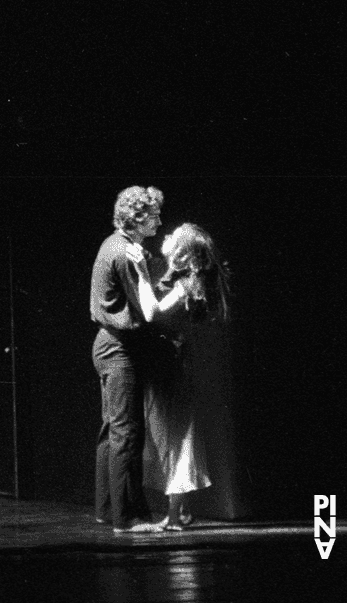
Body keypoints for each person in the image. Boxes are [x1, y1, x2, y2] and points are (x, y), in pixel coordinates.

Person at [135, 222, 238, 529]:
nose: (166, 236)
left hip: (171, 368)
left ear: (183, 252)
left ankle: (176, 513)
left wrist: (141, 275)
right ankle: (179, 510)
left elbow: (153, 313)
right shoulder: (180, 278)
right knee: (173, 435)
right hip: (170, 365)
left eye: (173, 236)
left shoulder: (185, 286)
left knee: (175, 436)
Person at [90, 185, 172, 533]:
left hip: (111, 346)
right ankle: (128, 518)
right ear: (137, 218)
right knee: (127, 433)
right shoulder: (124, 252)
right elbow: (147, 309)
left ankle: (108, 510)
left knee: (114, 431)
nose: (158, 220)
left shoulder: (117, 244)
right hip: (119, 348)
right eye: (154, 215)